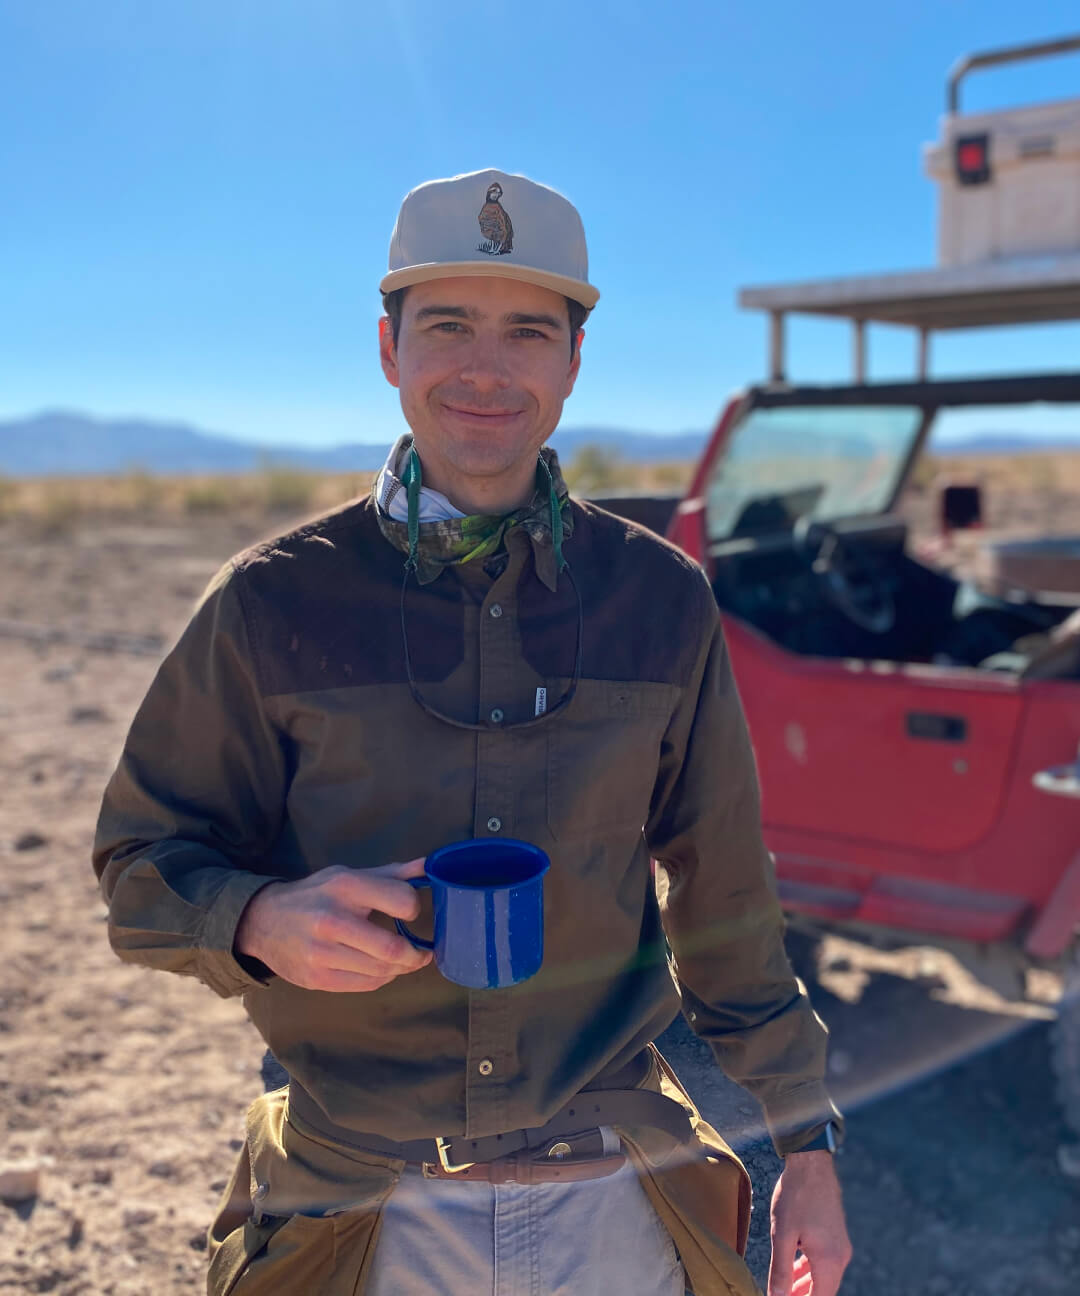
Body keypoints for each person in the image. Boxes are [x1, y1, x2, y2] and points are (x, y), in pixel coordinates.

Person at [92, 168, 852, 1296]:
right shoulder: (270, 604)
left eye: (528, 331)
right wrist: (257, 917)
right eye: (447, 324)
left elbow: (724, 897)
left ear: (573, 364)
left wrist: (807, 1146)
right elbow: (139, 868)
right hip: (357, 1200)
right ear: (390, 347)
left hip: (612, 1192)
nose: (487, 368)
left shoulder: (659, 600)